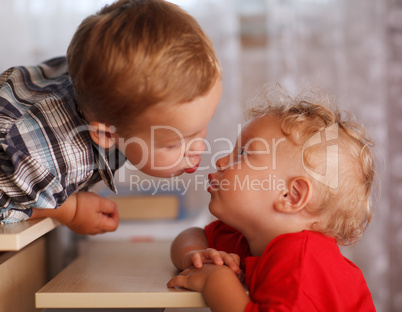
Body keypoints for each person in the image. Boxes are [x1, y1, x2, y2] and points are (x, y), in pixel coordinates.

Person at [0, 0, 222, 235]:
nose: (199, 147)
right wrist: (70, 210)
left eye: (201, 128)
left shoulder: (101, 87)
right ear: (105, 134)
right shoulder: (43, 159)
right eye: (174, 143)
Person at [168, 87, 377, 311]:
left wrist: (215, 280)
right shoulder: (251, 238)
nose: (220, 161)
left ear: (291, 195)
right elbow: (191, 235)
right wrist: (195, 255)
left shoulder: (302, 263)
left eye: (244, 153)